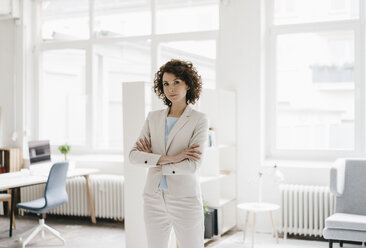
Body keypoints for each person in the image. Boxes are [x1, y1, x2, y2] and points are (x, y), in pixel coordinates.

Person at [129, 59, 209, 248]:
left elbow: (192, 165)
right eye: (166, 83)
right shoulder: (153, 117)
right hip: (153, 198)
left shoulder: (199, 119)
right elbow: (133, 156)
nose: (170, 88)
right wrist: (173, 158)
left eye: (176, 82)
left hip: (185, 199)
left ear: (188, 84)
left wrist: (152, 160)